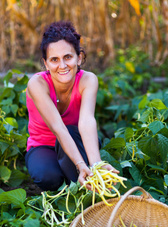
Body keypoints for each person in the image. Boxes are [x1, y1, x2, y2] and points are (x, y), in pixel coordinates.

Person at [25, 20, 118, 191]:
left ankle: (84, 183)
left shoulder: (88, 80)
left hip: (77, 138)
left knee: (76, 145)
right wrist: (80, 163)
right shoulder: (37, 84)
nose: (62, 65)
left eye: (67, 57)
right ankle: (74, 177)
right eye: (54, 59)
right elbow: (58, 128)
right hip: (43, 145)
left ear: (79, 57)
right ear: (45, 63)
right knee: (49, 178)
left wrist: (97, 164)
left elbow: (87, 122)